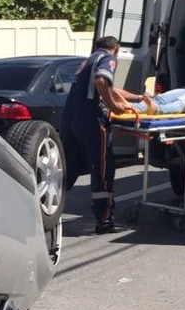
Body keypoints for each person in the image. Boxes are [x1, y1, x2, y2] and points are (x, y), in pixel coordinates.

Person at [60, 35, 146, 234]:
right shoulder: (108, 59)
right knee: (103, 168)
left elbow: (109, 87)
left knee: (69, 167)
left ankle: (42, 211)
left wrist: (138, 97)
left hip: (70, 118)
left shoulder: (89, 60)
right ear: (116, 48)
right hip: (90, 119)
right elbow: (102, 81)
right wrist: (113, 106)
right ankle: (104, 220)